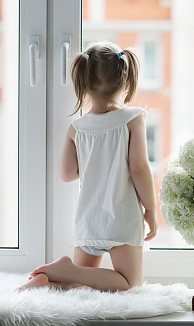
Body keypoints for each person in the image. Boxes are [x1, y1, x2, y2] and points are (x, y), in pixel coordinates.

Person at [17, 42, 158, 292]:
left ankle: (47, 281)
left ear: (83, 83)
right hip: (121, 220)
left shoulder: (78, 127)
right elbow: (139, 168)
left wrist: (92, 155)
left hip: (88, 220)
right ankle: (68, 271)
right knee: (130, 284)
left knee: (78, 285)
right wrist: (150, 210)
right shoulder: (133, 118)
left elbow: (67, 173)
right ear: (125, 80)